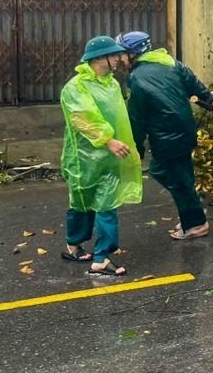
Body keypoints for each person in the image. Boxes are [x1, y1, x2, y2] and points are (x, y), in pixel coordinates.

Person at [117, 31, 213, 240]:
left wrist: (135, 147)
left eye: (123, 53)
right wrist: (211, 100)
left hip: (166, 136)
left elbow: (137, 117)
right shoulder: (170, 62)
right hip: (184, 130)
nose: (120, 58)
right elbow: (194, 83)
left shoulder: (136, 78)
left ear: (134, 53)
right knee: (175, 176)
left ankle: (196, 224)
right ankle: (192, 214)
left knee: (177, 180)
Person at [59, 36, 143, 276]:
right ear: (98, 58)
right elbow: (84, 118)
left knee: (107, 205)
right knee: (81, 203)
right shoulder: (76, 87)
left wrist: (124, 145)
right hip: (82, 158)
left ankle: (102, 258)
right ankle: (74, 243)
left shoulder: (112, 84)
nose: (119, 58)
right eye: (114, 54)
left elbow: (119, 116)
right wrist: (108, 140)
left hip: (110, 156)